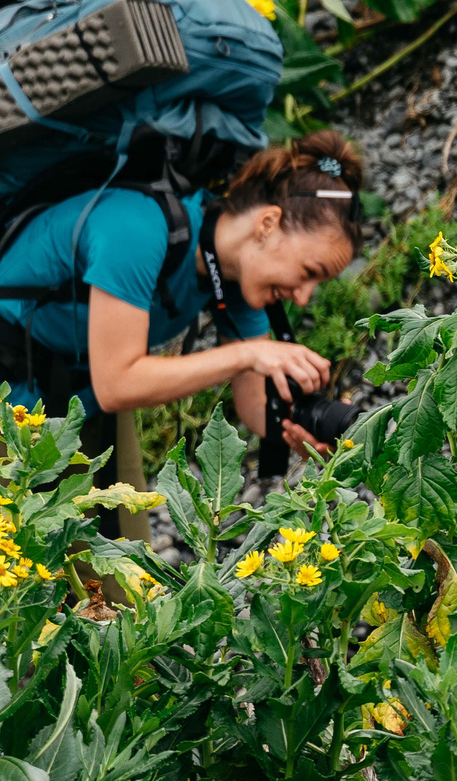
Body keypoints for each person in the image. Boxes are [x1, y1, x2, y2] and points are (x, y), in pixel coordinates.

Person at [0, 130, 368, 505]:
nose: (304, 298)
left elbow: (255, 405)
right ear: (267, 224)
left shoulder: (239, 280)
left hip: (80, 396)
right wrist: (247, 355)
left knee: (123, 556)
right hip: (10, 387)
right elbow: (118, 384)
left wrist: (305, 427)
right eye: (308, 271)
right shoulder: (136, 229)